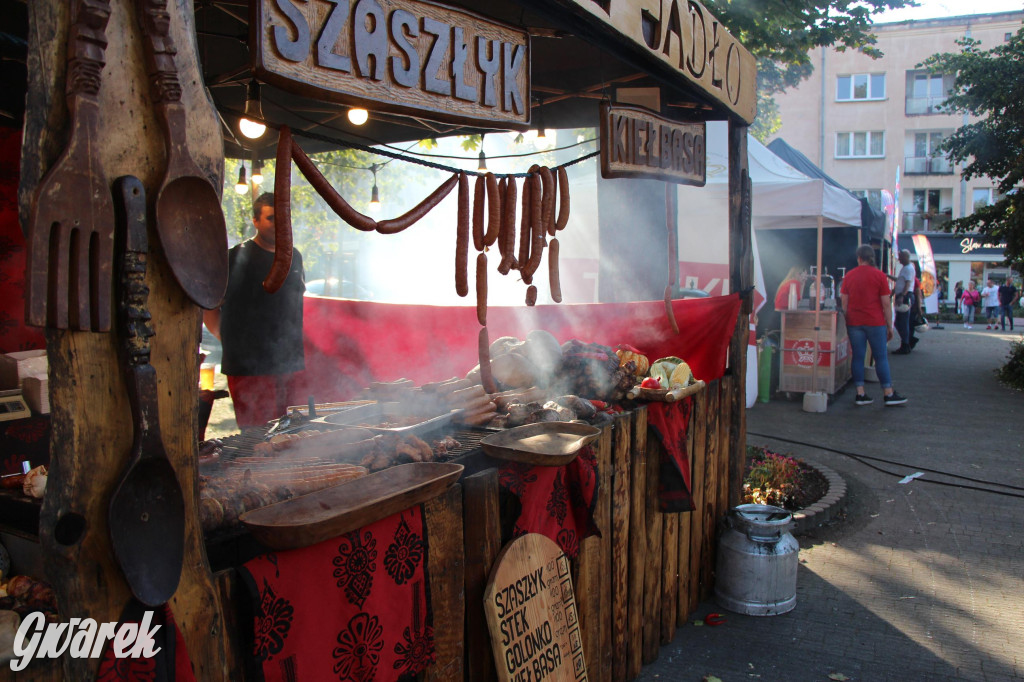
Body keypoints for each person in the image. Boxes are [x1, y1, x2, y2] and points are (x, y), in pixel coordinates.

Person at [204, 192, 306, 429]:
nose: (279, 225)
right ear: (256, 221)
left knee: (289, 434)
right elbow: (209, 307)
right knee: (256, 436)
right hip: (248, 367)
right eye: (271, 218)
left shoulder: (295, 257)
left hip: (288, 363)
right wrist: (230, 340)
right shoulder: (235, 257)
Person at [840, 244, 907, 406]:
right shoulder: (879, 276)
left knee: (857, 357)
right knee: (881, 357)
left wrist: (848, 319)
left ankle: (860, 393)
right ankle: (888, 393)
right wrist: (889, 326)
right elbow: (885, 303)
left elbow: (844, 302)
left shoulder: (849, 276)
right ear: (872, 258)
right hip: (875, 322)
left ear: (859, 258)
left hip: (854, 322)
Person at [892, 250, 916, 354]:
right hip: (905, 295)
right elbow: (900, 281)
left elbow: (907, 283)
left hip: (905, 296)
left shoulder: (908, 269)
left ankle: (906, 343)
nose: (899, 259)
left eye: (900, 257)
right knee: (900, 321)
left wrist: (902, 295)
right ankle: (906, 342)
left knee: (902, 321)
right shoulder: (907, 268)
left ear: (905, 257)